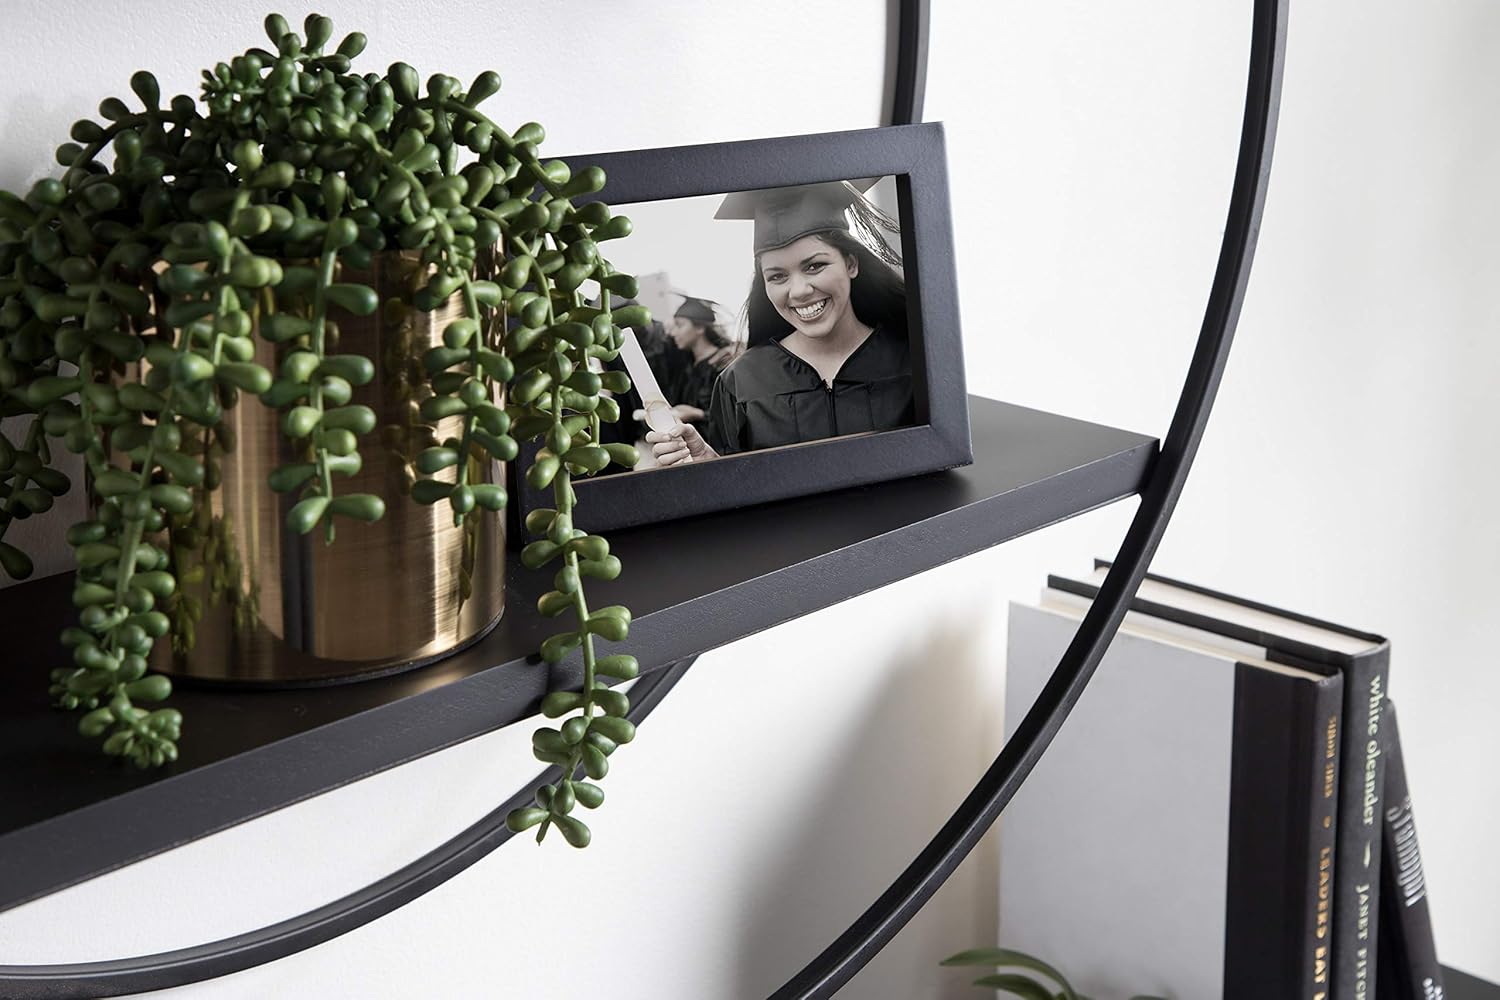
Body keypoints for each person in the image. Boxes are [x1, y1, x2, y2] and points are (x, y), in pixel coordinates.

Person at [648, 180, 913, 466]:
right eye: (777, 276)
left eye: (814, 266)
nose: (798, 291)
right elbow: (742, 482)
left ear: (851, 264)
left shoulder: (912, 360)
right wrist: (710, 465)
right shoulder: (740, 382)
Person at [658, 294, 737, 451]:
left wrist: (698, 414)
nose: (673, 333)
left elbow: (734, 415)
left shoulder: (724, 364)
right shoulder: (686, 364)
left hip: (717, 450)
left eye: (679, 325)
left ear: (700, 328)